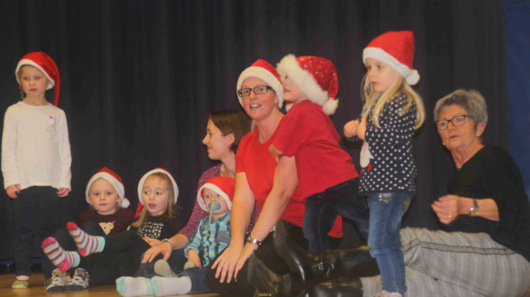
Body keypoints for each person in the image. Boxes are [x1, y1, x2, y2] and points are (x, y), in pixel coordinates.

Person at [309, 89, 530, 297]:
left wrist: (465, 206)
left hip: (511, 260)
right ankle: (308, 289)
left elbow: (514, 211)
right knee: (400, 282)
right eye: (443, 123)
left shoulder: (492, 158)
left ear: (480, 127)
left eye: (460, 119)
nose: (451, 127)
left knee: (407, 241)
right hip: (477, 277)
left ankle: (316, 265)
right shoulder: (455, 181)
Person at [205, 59, 357, 297]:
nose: (251, 96)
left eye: (260, 89)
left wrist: (250, 245)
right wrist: (236, 243)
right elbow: (243, 199)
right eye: (245, 92)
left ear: (277, 97)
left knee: (246, 274)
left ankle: (320, 276)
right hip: (275, 231)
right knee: (218, 276)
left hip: (309, 230)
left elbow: (282, 193)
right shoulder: (246, 143)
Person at [342, 31, 425, 297]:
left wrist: (365, 132)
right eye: (369, 68)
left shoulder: (402, 101)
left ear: (399, 71)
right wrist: (354, 130)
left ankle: (394, 290)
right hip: (380, 185)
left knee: (380, 241)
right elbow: (371, 139)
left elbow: (395, 136)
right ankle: (393, 289)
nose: (372, 73)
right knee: (383, 240)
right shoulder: (376, 102)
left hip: (392, 185)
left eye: (380, 66)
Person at [271, 54, 369, 253]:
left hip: (334, 182)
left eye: (292, 78)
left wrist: (273, 150)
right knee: (316, 231)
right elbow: (333, 140)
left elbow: (279, 147)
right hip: (324, 186)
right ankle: (326, 272)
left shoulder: (298, 112)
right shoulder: (317, 111)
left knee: (360, 222)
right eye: (285, 77)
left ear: (310, 86)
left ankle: (387, 254)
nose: (284, 82)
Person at [138, 109, 253, 273]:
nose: (204, 140)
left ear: (230, 139)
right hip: (206, 251)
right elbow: (193, 226)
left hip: (241, 250)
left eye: (210, 134)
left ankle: (185, 281)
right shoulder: (209, 176)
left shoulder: (253, 174)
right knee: (154, 258)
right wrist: (168, 244)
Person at [41, 168, 185, 287]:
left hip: (149, 262)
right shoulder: (138, 221)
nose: (151, 197)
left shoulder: (174, 220)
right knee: (104, 262)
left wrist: (163, 243)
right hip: (124, 268)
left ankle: (92, 245)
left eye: (158, 193)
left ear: (170, 196)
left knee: (131, 237)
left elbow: (182, 243)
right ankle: (72, 262)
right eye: (146, 192)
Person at [2, 52, 72, 289]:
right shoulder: (14, 112)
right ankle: (22, 273)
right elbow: (7, 149)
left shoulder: (57, 114)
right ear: (20, 82)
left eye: (37, 77)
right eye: (26, 78)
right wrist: (10, 180)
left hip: (50, 184)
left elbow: (64, 150)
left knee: (49, 232)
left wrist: (65, 180)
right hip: (23, 183)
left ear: (48, 82)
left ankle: (50, 272)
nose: (32, 83)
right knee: (22, 231)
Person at [115, 176, 235, 297]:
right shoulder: (203, 223)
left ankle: (177, 283)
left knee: (202, 274)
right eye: (208, 196)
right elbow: (194, 242)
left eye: (218, 195)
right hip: (200, 263)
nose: (212, 200)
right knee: (158, 256)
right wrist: (192, 251)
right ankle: (145, 282)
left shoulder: (234, 222)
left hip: (221, 268)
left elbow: (237, 243)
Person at [42, 167, 134, 292]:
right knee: (61, 233)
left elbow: (120, 242)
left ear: (118, 197)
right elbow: (78, 245)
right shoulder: (85, 216)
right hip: (85, 263)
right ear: (89, 199)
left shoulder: (125, 214)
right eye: (96, 194)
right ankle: (59, 274)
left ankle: (81, 273)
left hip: (107, 266)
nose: (102, 197)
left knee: (90, 227)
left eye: (108, 193)